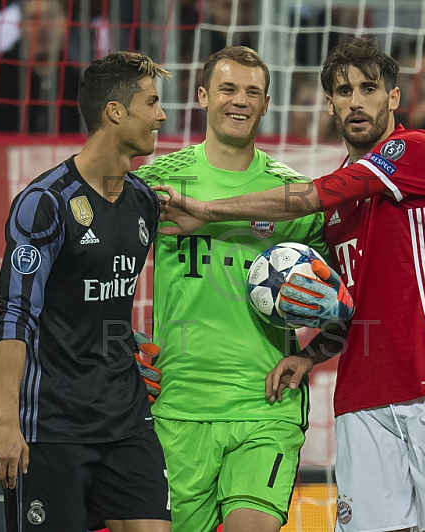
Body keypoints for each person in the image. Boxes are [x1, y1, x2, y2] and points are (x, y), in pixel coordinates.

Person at [155, 36, 425, 532]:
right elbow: (344, 304)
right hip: (360, 399)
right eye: (343, 91)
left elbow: (311, 196)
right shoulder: (337, 207)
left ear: (393, 98)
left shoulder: (418, 151)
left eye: (369, 89)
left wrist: (205, 212)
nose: (356, 101)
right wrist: (309, 355)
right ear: (330, 104)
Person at [132, 46, 337, 532]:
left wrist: (312, 355)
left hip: (266, 407)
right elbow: (96, 269)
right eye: (227, 88)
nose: (239, 101)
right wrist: (116, 346)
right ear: (203, 95)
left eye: (252, 92)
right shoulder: (155, 182)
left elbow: (343, 300)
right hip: (177, 409)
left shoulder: (295, 197)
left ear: (267, 104)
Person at [0, 51, 171, 532]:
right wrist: (7, 421)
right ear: (115, 112)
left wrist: (124, 340)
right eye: (151, 103)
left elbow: (98, 297)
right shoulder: (45, 202)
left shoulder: (143, 201)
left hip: (126, 418)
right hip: (53, 427)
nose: (162, 115)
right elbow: (15, 314)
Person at [0, 0, 81, 134]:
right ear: (20, 25)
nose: (43, 26)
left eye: (50, 17)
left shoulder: (79, 83)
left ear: (65, 23)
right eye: (33, 18)